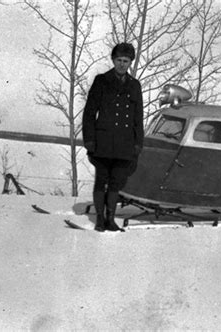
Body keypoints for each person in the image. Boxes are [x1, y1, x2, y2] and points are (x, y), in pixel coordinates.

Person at [82, 43, 144, 232]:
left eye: (126, 61)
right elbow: (89, 113)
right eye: (119, 60)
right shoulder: (102, 81)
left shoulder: (134, 85)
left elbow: (137, 117)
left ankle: (111, 220)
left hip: (124, 144)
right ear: (113, 60)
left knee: (116, 183)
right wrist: (90, 141)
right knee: (101, 180)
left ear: (130, 63)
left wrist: (137, 144)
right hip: (103, 143)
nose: (122, 65)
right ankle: (100, 219)